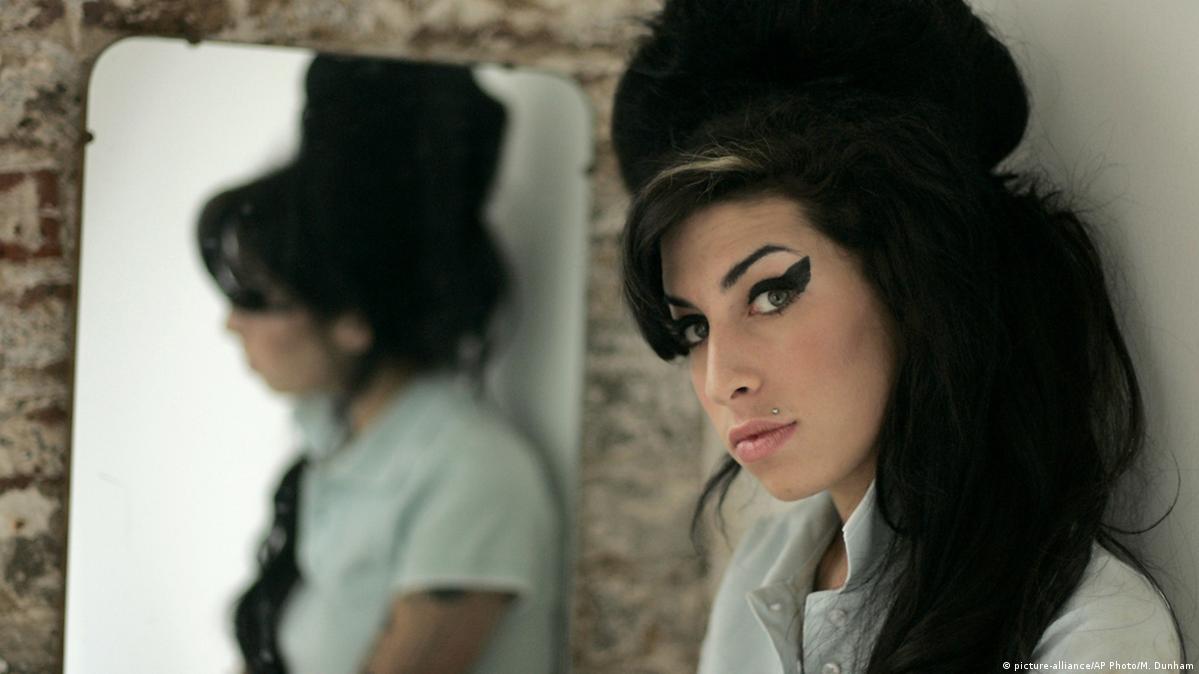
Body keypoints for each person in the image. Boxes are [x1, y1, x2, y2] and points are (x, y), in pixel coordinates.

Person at [613, 0, 1184, 672]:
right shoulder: (761, 573)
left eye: (772, 295)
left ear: (913, 288)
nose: (720, 380)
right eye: (693, 327)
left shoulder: (1091, 635)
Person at [197, 55, 560, 674]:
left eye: (259, 300)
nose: (231, 325)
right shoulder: (342, 437)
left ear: (353, 320)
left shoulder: (469, 471)